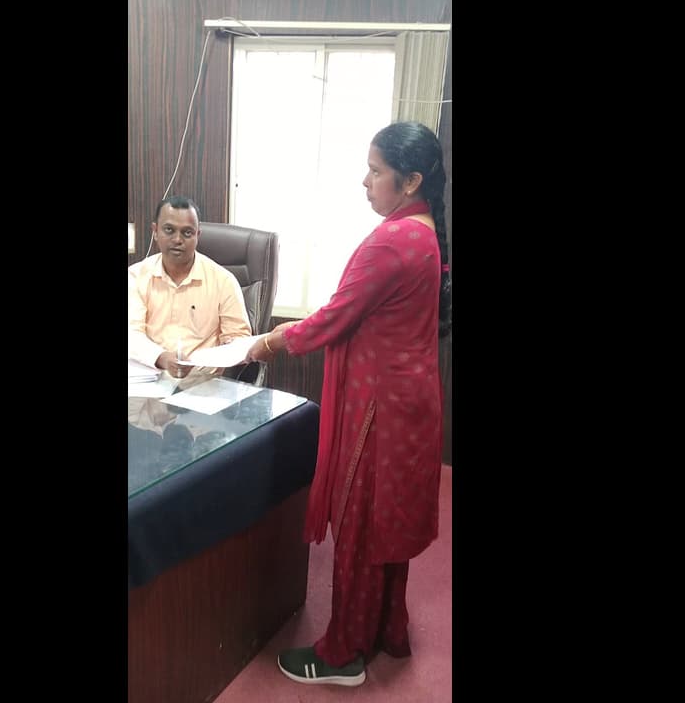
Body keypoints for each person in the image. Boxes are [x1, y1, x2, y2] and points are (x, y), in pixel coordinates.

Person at [249, 121, 451, 687]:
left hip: (378, 411)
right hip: (411, 404)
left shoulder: (393, 240)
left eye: (375, 171)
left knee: (361, 527)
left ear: (410, 181)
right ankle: (386, 629)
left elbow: (335, 317)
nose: (365, 181)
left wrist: (266, 342)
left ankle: (343, 655)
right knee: (387, 524)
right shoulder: (424, 231)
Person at [129, 195, 253, 381]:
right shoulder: (135, 276)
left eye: (187, 233)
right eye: (169, 230)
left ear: (197, 235)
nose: (177, 239)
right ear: (155, 231)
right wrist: (161, 357)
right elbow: (131, 334)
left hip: (204, 384)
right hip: (148, 379)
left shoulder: (223, 281)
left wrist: (228, 351)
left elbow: (238, 339)